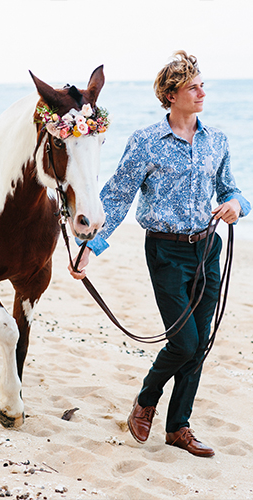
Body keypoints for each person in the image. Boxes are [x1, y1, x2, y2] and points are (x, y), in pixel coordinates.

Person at [69, 51, 251, 457]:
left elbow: (232, 189)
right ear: (171, 95)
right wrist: (89, 248)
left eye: (202, 84)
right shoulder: (146, 141)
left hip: (208, 247)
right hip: (166, 253)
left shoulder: (216, 140)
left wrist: (237, 205)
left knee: (200, 343)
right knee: (184, 342)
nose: (202, 92)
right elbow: (117, 196)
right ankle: (147, 398)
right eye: (193, 87)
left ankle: (178, 427)